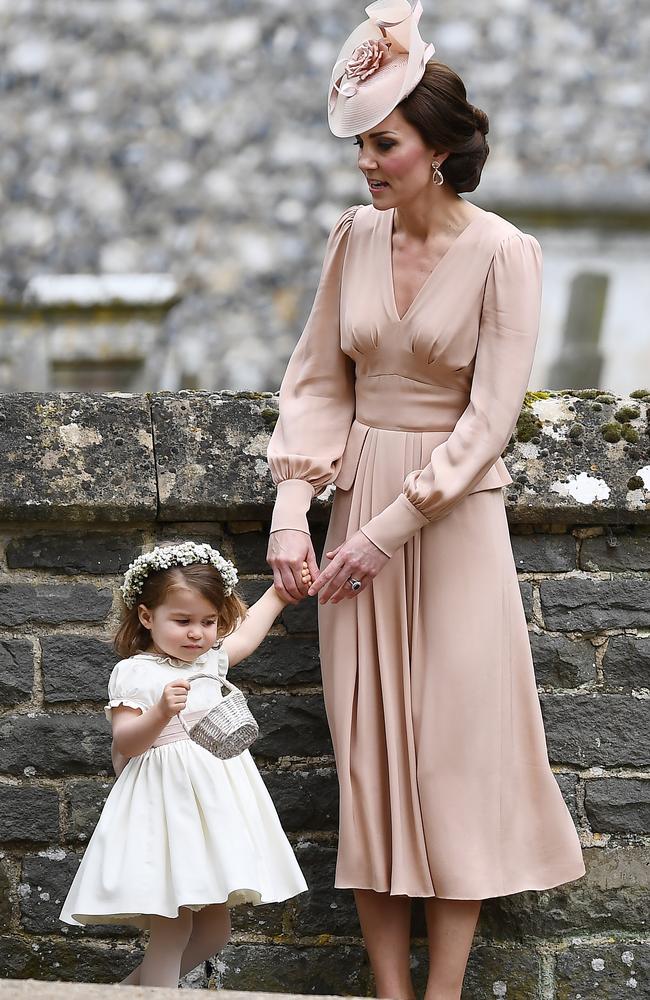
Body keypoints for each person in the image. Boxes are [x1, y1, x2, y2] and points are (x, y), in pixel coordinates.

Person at [266, 2, 585, 997]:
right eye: (362, 144)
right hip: (355, 494)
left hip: (446, 526)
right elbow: (318, 383)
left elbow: (488, 419)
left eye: (385, 143)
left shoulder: (503, 254)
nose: (367, 162)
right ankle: (388, 989)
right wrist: (292, 510)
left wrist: (389, 527)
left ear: (437, 148)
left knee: (453, 756)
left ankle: (441, 991)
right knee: (367, 754)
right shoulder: (349, 239)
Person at [59, 541, 309, 988]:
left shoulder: (211, 662)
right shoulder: (136, 673)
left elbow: (247, 636)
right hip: (166, 809)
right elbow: (127, 743)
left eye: (208, 622)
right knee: (172, 928)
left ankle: (124, 993)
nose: (197, 633)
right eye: (183, 621)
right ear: (146, 617)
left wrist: (280, 594)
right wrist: (159, 712)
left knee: (215, 931)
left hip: (214, 811)